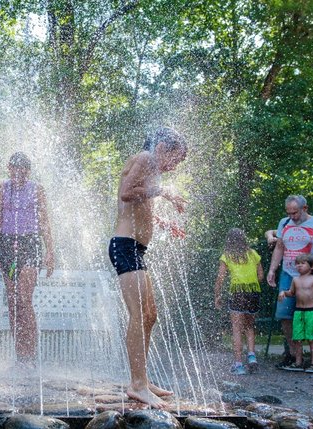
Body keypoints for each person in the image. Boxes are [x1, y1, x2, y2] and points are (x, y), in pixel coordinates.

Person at [108, 127, 187, 409]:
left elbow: (139, 208)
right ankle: (137, 384)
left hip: (135, 248)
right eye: (176, 158)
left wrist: (165, 224)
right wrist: (163, 192)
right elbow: (126, 193)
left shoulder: (151, 168)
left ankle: (143, 379)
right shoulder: (144, 157)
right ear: (162, 147)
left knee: (149, 315)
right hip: (125, 246)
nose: (174, 166)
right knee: (139, 314)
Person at [0, 152, 55, 365]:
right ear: (9, 168)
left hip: (30, 244)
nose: (19, 172)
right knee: (13, 303)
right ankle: (20, 356)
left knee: (24, 300)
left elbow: (44, 221)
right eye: (15, 167)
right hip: (8, 246)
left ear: (28, 170)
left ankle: (31, 355)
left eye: (23, 168)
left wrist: (50, 251)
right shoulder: (0, 188)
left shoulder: (37, 189)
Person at [266, 195, 313, 368]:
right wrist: (272, 270)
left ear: (305, 208)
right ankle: (293, 355)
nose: (292, 217)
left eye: (295, 213)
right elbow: (279, 248)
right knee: (284, 315)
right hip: (288, 274)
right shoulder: (284, 223)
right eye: (288, 213)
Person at [213, 228, 264, 375]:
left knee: (236, 328)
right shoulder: (253, 254)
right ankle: (252, 356)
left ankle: (238, 365)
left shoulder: (227, 256)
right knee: (249, 326)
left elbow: (220, 277)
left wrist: (217, 295)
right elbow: (261, 276)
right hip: (253, 292)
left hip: (237, 292)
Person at [278, 254, 313, 373]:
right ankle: (298, 363)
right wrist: (284, 293)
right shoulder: (295, 280)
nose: (299, 265)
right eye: (297, 263)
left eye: (303, 263)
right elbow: (292, 293)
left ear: (312, 266)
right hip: (298, 312)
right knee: (297, 338)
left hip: (312, 312)